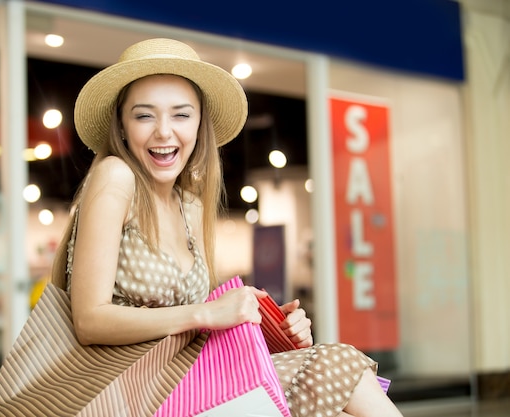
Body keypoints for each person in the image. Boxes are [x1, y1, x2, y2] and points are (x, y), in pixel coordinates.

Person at [51, 37, 403, 417]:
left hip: (185, 383)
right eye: (144, 115)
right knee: (335, 366)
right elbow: (89, 320)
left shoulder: (191, 206)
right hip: (123, 391)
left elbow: (195, 333)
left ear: (200, 124)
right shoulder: (115, 176)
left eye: (181, 115)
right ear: (121, 125)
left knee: (339, 379)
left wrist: (272, 330)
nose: (164, 132)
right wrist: (208, 313)